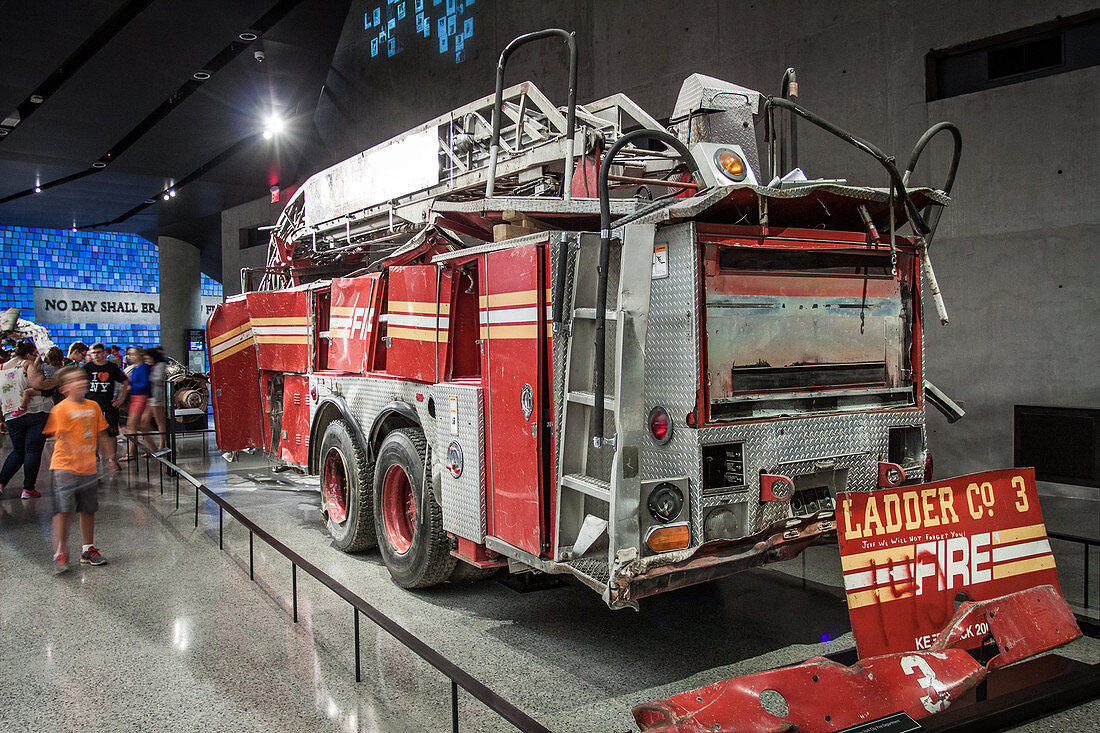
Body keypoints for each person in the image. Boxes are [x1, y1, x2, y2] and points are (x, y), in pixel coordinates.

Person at [46, 366, 116, 573]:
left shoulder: (93, 406)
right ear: (64, 388)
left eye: (82, 379)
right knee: (63, 511)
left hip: (88, 469)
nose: (81, 382)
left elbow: (102, 434)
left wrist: (110, 459)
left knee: (88, 509)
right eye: (75, 380)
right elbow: (54, 439)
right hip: (64, 469)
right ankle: (60, 549)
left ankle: (87, 549)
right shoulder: (60, 409)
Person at [0, 341, 57, 498]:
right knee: (33, 450)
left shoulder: (2, 368)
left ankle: (1, 482)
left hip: (11, 413)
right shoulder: (27, 364)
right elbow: (39, 383)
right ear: (27, 354)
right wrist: (56, 378)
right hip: (36, 411)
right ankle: (28, 489)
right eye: (34, 354)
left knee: (18, 451)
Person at [82, 343, 129, 460]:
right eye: (93, 353)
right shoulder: (87, 367)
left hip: (108, 404)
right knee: (92, 432)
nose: (96, 355)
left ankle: (112, 458)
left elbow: (125, 382)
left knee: (111, 432)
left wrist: (121, 399)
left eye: (98, 352)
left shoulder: (111, 367)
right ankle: (94, 455)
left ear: (103, 353)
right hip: (90, 404)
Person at [122, 347, 150, 460]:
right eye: (130, 355)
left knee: (132, 425)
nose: (130, 357)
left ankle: (131, 452)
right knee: (135, 426)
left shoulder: (143, 368)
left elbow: (145, 384)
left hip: (140, 397)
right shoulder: (136, 368)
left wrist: (131, 387)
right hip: (135, 397)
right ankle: (137, 450)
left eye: (133, 355)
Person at [144, 347, 169, 452]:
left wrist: (148, 377)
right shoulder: (151, 367)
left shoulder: (160, 366)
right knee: (144, 421)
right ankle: (152, 446)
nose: (147, 361)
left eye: (148, 358)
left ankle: (162, 444)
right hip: (151, 397)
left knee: (160, 421)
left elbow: (159, 379)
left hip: (157, 397)